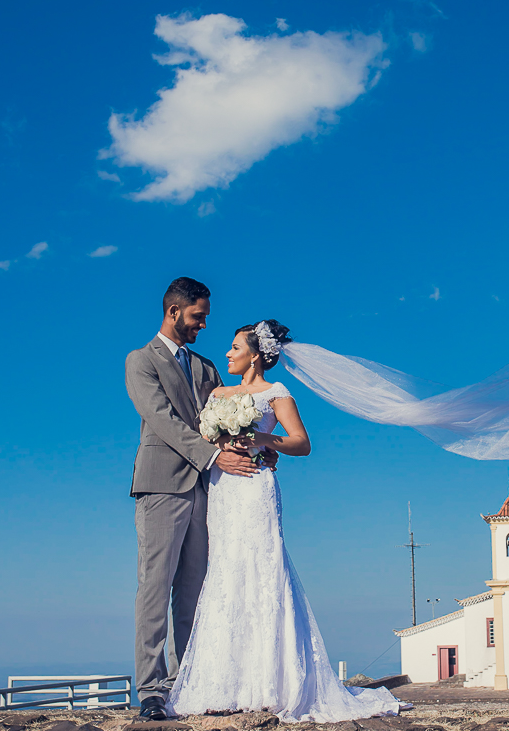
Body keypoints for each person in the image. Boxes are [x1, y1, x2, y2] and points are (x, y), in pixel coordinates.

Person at [167, 320, 404, 722]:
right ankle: (222, 683)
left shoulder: (276, 393)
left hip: (255, 488)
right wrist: (222, 440)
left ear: (254, 355)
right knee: (225, 571)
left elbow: (301, 443)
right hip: (223, 490)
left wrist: (262, 440)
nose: (228, 354)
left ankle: (270, 684)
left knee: (263, 571)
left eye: (235, 347)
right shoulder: (218, 394)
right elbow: (205, 438)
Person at [124, 277, 272, 721]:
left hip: (209, 489)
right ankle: (151, 690)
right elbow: (162, 419)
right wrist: (213, 456)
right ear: (174, 312)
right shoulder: (140, 361)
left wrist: (256, 448)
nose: (204, 325)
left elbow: (227, 418)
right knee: (155, 586)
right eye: (198, 317)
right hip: (161, 485)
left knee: (194, 589)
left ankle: (187, 681)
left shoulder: (206, 367)